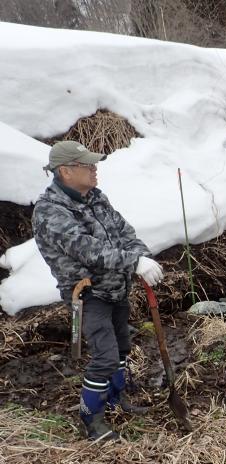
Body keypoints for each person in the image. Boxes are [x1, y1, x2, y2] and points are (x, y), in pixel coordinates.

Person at [32, 141, 165, 441]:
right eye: (87, 165)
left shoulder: (96, 198)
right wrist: (134, 262)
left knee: (121, 348)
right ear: (65, 171)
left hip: (117, 288)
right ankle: (92, 420)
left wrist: (140, 256)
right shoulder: (50, 211)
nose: (95, 169)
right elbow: (87, 250)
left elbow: (124, 232)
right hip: (89, 295)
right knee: (104, 357)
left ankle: (117, 400)